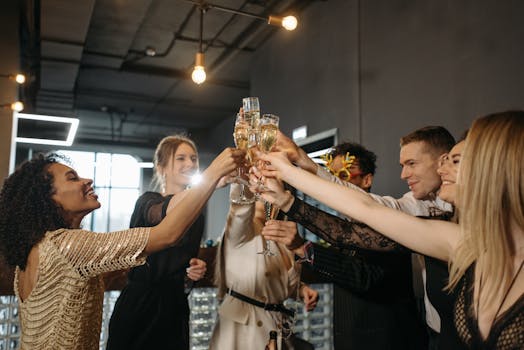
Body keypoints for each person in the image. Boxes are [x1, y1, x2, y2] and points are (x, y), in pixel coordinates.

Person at [257, 111, 524, 349]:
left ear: (495, 171)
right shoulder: (460, 240)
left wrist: (292, 183)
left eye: (456, 161)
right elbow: (367, 210)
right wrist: (290, 187)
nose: (445, 167)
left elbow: (365, 214)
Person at [0, 147, 244, 349]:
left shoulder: (41, 248)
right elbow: (167, 234)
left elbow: (96, 280)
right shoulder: (67, 246)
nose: (87, 180)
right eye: (73, 178)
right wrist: (212, 173)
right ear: (47, 198)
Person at [272, 127, 456, 346]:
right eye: (402, 165)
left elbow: (365, 211)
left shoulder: (455, 219)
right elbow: (362, 212)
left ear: (444, 162)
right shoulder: (412, 203)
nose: (404, 174)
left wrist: (289, 194)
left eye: (412, 164)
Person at [107, 135, 209, 349]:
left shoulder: (197, 215)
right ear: (161, 167)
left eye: (193, 158)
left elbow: (183, 267)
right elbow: (162, 214)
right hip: (140, 306)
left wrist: (193, 272)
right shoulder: (148, 202)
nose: (190, 163)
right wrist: (208, 183)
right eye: (181, 158)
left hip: (175, 309)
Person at [209, 183, 318, 350]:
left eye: (272, 193)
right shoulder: (242, 232)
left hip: (275, 329)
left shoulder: (280, 235)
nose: (264, 198)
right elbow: (240, 207)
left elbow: (275, 281)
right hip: (242, 333)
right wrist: (243, 175)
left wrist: (301, 290)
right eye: (260, 192)